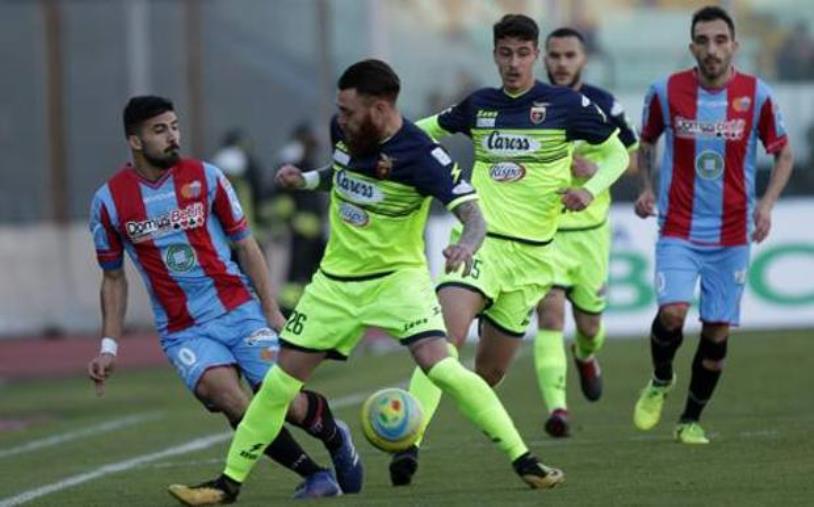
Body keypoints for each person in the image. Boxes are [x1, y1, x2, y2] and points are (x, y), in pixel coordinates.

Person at [167, 59, 564, 507]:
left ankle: (525, 461)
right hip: (335, 283)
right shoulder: (347, 134)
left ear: (379, 108)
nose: (340, 120)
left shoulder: (422, 154)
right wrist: (307, 180)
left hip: (398, 282)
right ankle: (228, 485)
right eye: (339, 110)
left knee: (442, 365)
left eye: (349, 111)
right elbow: (342, 176)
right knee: (279, 384)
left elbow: (473, 214)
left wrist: (467, 246)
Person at [390, 14, 629, 485]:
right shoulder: (479, 105)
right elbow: (425, 130)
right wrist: (381, 135)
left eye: (523, 53)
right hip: (479, 244)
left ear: (535, 55)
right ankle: (408, 443)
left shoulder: (566, 104)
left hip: (532, 261)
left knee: (488, 373)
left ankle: (569, 365)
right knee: (443, 341)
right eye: (506, 53)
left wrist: (591, 188)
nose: (514, 63)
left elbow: (618, 153)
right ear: (495, 54)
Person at [86, 96, 363, 499]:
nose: (172, 136)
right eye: (159, 130)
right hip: (184, 330)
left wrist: (270, 310)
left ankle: (335, 436)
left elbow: (248, 246)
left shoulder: (207, 177)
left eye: (175, 127)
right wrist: (108, 346)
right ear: (135, 141)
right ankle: (315, 473)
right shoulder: (109, 201)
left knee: (283, 400)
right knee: (228, 397)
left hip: (239, 311)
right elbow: (113, 279)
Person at [632, 6, 794, 444]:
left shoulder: (756, 95)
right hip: (679, 228)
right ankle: (661, 378)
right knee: (672, 313)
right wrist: (645, 188)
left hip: (732, 233)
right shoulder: (665, 91)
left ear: (734, 46)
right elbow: (645, 142)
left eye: (720, 41)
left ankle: (689, 420)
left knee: (718, 328)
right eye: (703, 41)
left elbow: (784, 153)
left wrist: (767, 205)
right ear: (692, 47)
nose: (712, 49)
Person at [533, 27, 639, 438]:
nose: (561, 63)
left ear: (583, 59)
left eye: (569, 55)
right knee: (550, 314)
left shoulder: (604, 105)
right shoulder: (532, 104)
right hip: (547, 232)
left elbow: (632, 160)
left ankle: (585, 354)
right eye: (555, 55)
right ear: (545, 59)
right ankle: (558, 410)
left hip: (591, 234)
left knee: (590, 326)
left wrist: (597, 172)